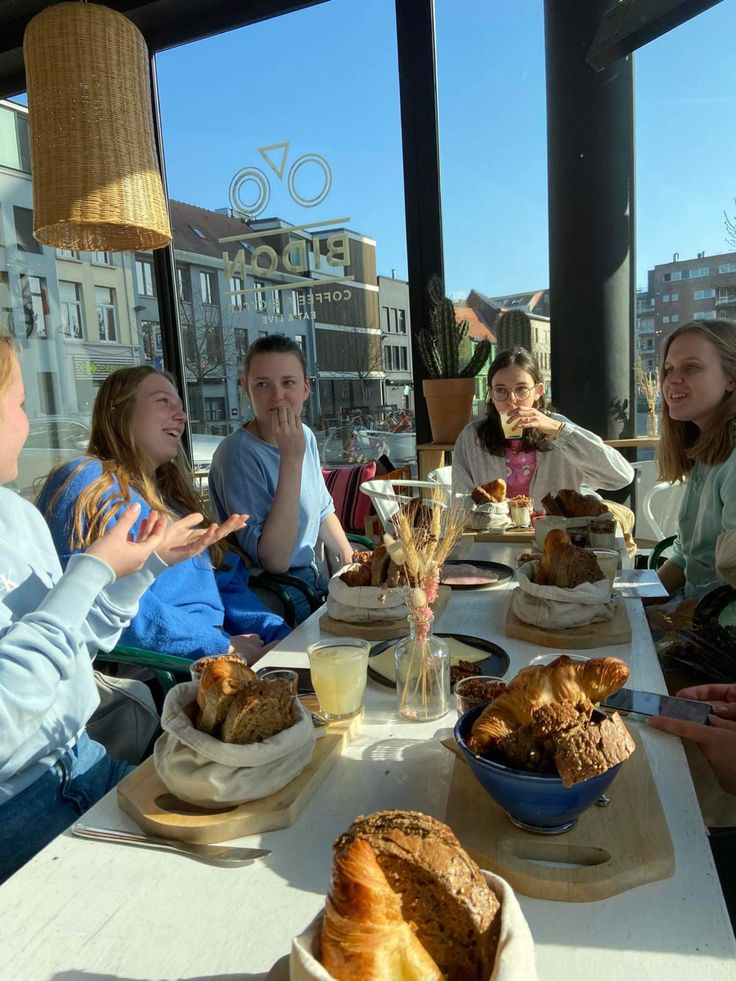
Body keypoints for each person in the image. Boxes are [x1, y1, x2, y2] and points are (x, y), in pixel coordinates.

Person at [0, 334, 245, 883]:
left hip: (85, 757)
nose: (28, 416)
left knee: (244, 837)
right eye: (16, 402)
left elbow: (78, 642)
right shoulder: (88, 483)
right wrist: (94, 568)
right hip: (21, 808)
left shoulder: (15, 517)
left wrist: (148, 566)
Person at [39, 366, 290, 663]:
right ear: (120, 411)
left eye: (181, 408)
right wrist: (220, 647)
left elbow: (226, 584)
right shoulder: (88, 481)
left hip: (213, 651)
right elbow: (101, 601)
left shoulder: (176, 502)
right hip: (160, 668)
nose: (181, 416)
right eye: (163, 402)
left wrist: (281, 636)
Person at [208, 334, 354, 624]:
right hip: (275, 598)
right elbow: (275, 560)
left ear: (305, 389)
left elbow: (323, 510)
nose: (276, 396)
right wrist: (291, 458)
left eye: (288, 382)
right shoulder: (236, 453)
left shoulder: (306, 436)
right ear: (246, 390)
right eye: (262, 385)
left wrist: (354, 564)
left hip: (312, 583)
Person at [451, 346, 634, 506]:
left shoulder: (557, 428)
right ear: (491, 393)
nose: (512, 400)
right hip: (495, 540)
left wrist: (559, 431)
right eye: (501, 391)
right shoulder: (472, 437)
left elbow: (620, 476)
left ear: (538, 391)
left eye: (521, 389)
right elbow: (460, 500)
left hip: (554, 537)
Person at [654, 320, 736, 599]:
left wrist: (670, 620)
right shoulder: (708, 449)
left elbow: (728, 589)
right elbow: (684, 557)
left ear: (731, 378)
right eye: (669, 370)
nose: (672, 380)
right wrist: (633, 603)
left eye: (691, 367)